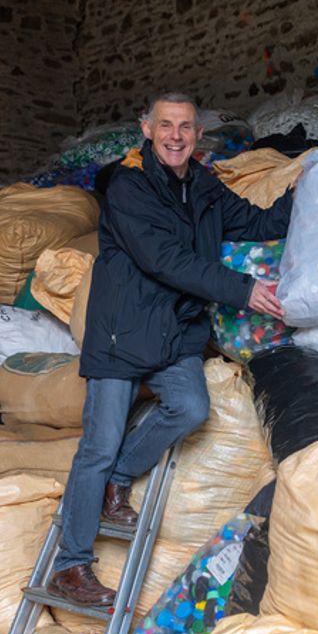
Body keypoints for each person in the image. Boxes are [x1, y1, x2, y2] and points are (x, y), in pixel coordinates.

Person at [49, 92, 290, 606]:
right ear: (148, 128)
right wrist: (243, 289)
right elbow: (166, 259)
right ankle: (69, 566)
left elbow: (256, 222)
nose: (176, 135)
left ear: (198, 134)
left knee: (190, 407)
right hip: (123, 330)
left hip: (175, 330)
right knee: (98, 444)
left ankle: (120, 481)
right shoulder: (129, 187)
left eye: (185, 127)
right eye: (166, 125)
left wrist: (314, 187)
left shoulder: (202, 185)